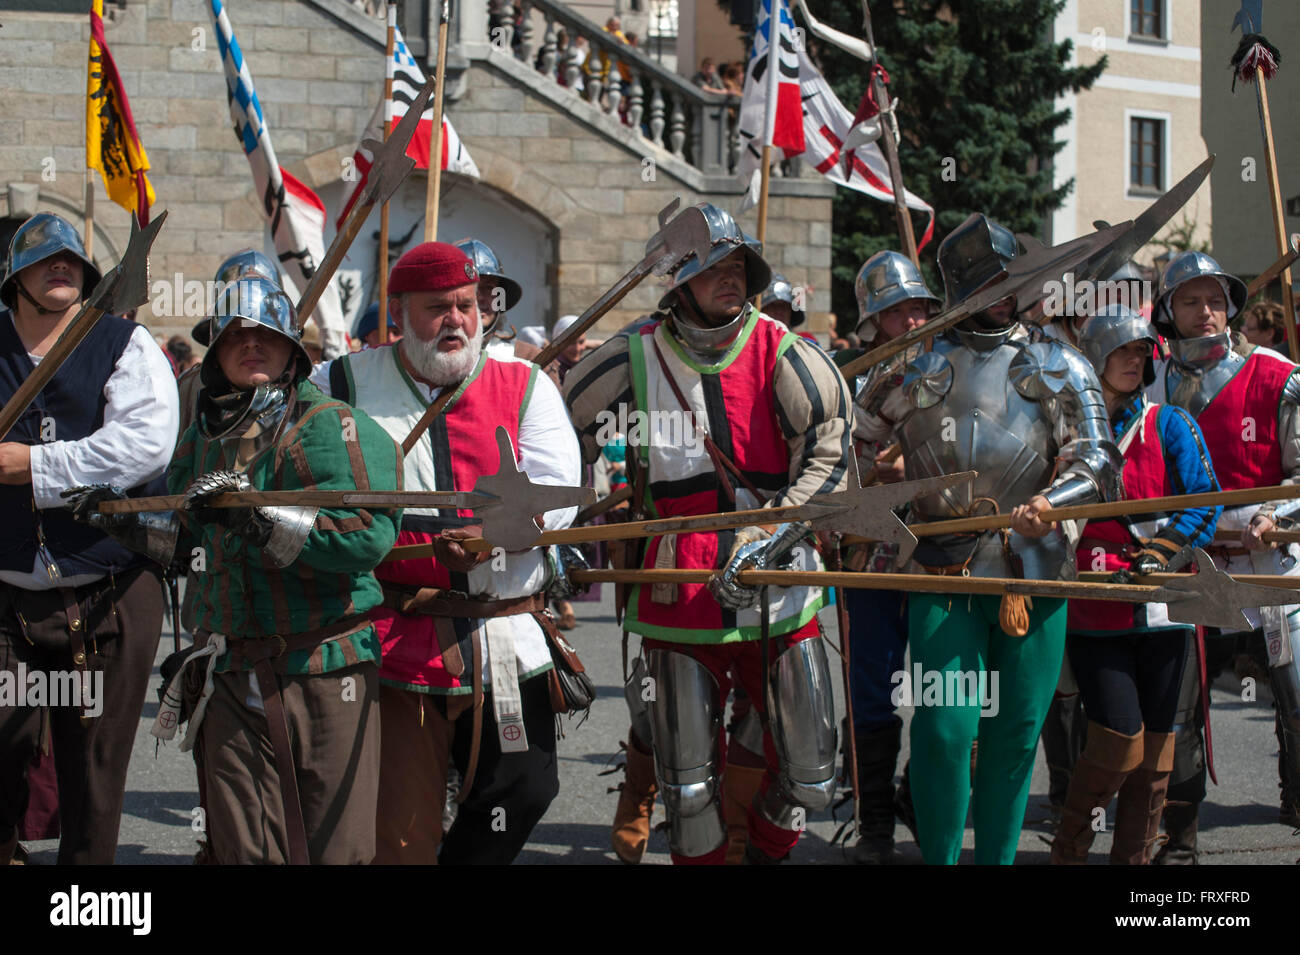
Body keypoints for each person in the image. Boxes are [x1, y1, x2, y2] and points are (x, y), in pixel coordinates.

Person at [80, 275, 404, 864]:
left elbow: (366, 535)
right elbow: (186, 542)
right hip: (228, 667)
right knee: (245, 849)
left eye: (265, 336)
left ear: (291, 350)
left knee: (337, 849)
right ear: (215, 351)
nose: (250, 345)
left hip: (323, 667)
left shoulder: (328, 425)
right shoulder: (200, 438)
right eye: (234, 336)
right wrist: (121, 524)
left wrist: (258, 522)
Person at [565, 203, 853, 865]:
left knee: (812, 775)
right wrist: (564, 530)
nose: (730, 277)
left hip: (779, 581)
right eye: (711, 268)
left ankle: (764, 850)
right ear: (676, 281)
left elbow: (832, 453)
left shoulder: (785, 353)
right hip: (677, 588)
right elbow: (552, 443)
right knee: (688, 786)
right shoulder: (629, 357)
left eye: (736, 266)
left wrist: (775, 533)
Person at [857, 213, 1123, 864]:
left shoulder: (1062, 363)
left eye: (1007, 279)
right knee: (946, 732)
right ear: (957, 289)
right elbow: (853, 450)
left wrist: (1051, 502)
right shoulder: (911, 366)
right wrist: (881, 491)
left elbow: (1099, 460)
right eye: (984, 281)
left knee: (1014, 735)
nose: (999, 291)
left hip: (1032, 572)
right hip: (942, 575)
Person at [313, 241, 581, 864]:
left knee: (524, 789)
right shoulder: (340, 383)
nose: (457, 319)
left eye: (466, 305)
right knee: (400, 831)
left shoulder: (525, 383)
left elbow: (557, 494)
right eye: (438, 308)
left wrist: (502, 530)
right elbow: (312, 481)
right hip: (395, 633)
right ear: (399, 310)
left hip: (505, 629)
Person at [0, 212, 178, 865]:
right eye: (44, 259)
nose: (61, 267)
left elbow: (142, 447)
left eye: (71, 260)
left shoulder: (124, 345)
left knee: (95, 784)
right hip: (6, 594)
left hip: (109, 592)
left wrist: (32, 467)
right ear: (11, 277)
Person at [1050, 305, 1219, 864]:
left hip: (1162, 606)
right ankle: (1070, 851)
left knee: (1157, 751)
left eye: (1141, 353)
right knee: (1118, 741)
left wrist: (1160, 553)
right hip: (1096, 609)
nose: (1133, 361)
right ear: (1095, 358)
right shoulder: (1067, 430)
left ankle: (1134, 864)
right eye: (1122, 351)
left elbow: (1203, 502)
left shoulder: (1170, 423)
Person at [1148, 251, 1300, 861]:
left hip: (1269, 569)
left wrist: (1279, 517)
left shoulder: (1276, 374)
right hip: (1189, 566)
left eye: (1215, 300)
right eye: (1190, 301)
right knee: (1181, 708)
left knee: (1295, 692)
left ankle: (1296, 799)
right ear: (1168, 312)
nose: (1205, 312)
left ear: (1231, 306)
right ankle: (1180, 838)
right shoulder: (1151, 385)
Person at [834, 250, 939, 863]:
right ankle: (874, 822)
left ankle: (917, 796)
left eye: (917, 307)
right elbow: (821, 463)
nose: (910, 320)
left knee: (945, 689)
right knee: (872, 689)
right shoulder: (840, 378)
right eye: (896, 311)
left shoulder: (950, 368)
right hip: (869, 551)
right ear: (872, 319)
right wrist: (869, 472)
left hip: (941, 550)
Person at [452, 237, 522, 360]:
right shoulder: (425, 351)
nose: (478, 298)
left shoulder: (526, 355)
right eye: (468, 287)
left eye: (488, 288)